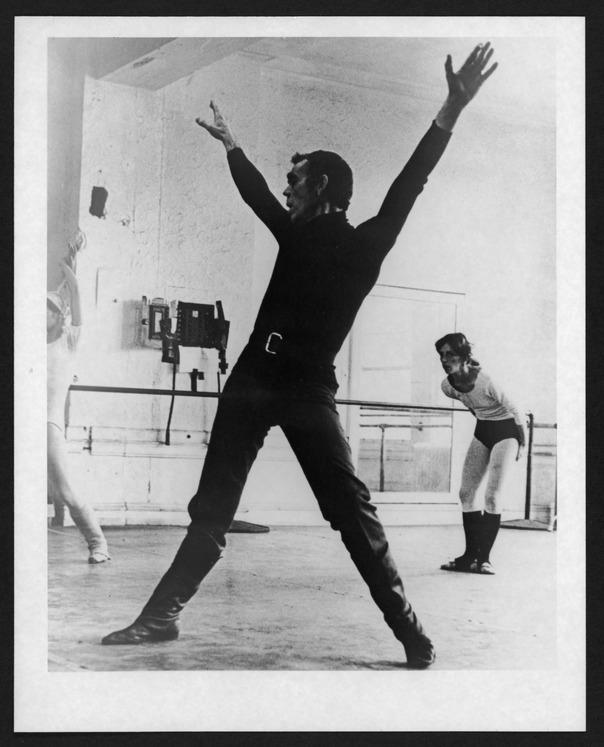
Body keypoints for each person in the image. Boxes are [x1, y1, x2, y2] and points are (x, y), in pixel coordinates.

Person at [102, 43, 498, 667]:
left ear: (321, 187)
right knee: (213, 506)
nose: (286, 190)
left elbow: (409, 182)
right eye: (287, 181)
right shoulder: (294, 230)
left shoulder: (367, 244)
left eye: (296, 180)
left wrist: (449, 110)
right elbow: (257, 193)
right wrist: (232, 145)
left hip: (307, 387)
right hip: (255, 377)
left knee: (348, 509)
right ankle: (159, 618)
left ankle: (410, 630)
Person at [435, 332, 525, 575]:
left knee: (493, 496)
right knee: (466, 493)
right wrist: (484, 421)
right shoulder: (448, 387)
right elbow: (474, 408)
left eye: (450, 354)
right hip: (483, 430)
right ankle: (468, 557)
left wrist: (521, 445)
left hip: (508, 431)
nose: (444, 359)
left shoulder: (486, 381)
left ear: (464, 356)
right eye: (441, 355)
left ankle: (484, 559)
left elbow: (516, 413)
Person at [47, 253, 110, 564]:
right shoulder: (27, 342)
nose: (42, 314)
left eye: (49, 309)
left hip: (49, 425)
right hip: (22, 422)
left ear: (60, 315)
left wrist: (69, 271)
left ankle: (98, 543)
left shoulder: (69, 341)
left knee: (66, 491)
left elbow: (77, 297)